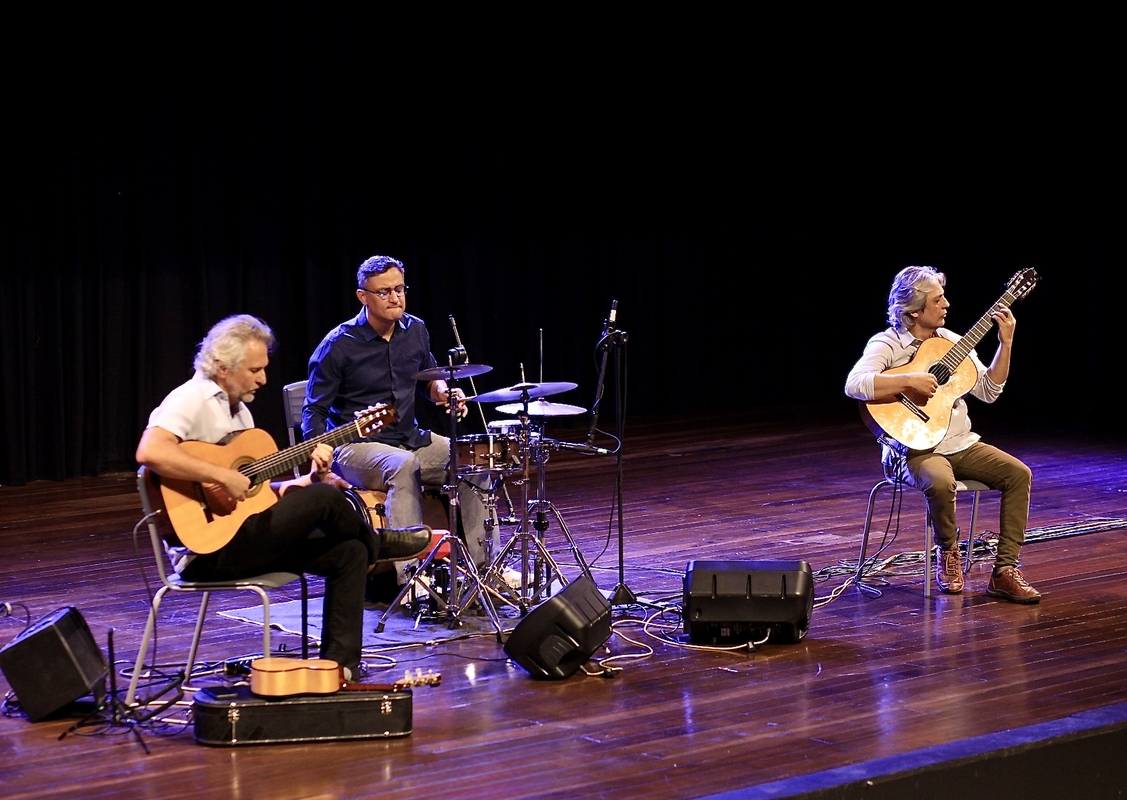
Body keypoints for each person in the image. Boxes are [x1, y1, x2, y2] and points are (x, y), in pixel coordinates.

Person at [135, 314, 434, 680]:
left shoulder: (238, 411)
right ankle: (379, 542)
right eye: (254, 370)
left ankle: (340, 668)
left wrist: (305, 481)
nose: (263, 379)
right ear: (222, 367)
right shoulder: (191, 398)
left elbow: (252, 494)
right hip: (207, 554)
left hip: (244, 537)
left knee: (348, 551)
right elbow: (150, 452)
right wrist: (221, 475)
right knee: (326, 500)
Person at [844, 265, 1040, 603]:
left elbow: (989, 391)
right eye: (938, 300)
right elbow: (854, 384)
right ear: (914, 311)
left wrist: (1005, 343)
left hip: (959, 444)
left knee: (1018, 474)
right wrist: (909, 380)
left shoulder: (952, 342)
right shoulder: (888, 343)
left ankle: (1004, 571)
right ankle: (948, 552)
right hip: (912, 450)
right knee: (939, 480)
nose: (947, 304)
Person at [302, 255, 492, 597]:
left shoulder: (415, 330)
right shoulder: (338, 345)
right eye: (384, 292)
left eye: (400, 289)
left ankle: (484, 570)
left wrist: (443, 392)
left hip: (408, 437)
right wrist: (320, 453)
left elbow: (428, 379)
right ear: (363, 297)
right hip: (355, 448)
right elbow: (314, 410)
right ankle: (412, 579)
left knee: (472, 460)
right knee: (403, 465)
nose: (395, 298)